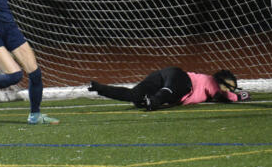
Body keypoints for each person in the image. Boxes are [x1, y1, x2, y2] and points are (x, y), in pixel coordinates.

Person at [88, 67, 251, 110]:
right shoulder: (210, 81)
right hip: (180, 78)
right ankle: (154, 102)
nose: (230, 90)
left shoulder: (208, 87)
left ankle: (100, 88)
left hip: (164, 75)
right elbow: (220, 95)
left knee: (135, 97)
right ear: (221, 81)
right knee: (164, 94)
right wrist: (240, 96)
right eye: (229, 86)